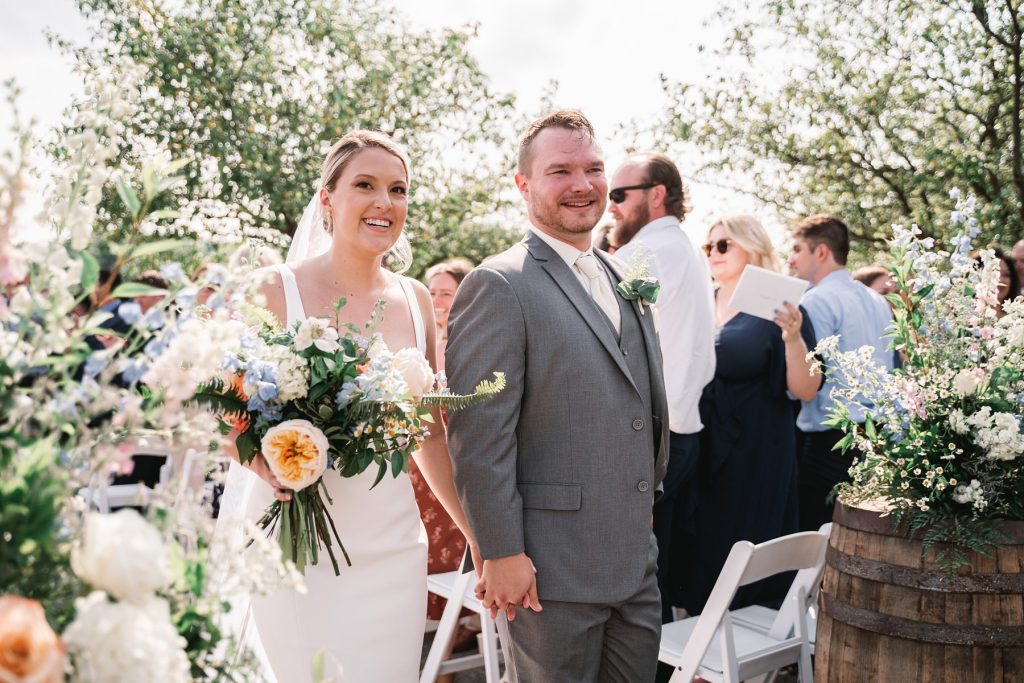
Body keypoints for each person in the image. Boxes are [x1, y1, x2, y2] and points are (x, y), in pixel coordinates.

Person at [217, 131, 478, 682]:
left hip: (392, 548)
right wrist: (257, 458)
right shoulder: (273, 290)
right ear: (328, 198)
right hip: (293, 544)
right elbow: (220, 406)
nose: (385, 202)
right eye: (366, 185)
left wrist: (477, 535)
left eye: (398, 189)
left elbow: (429, 437)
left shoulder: (416, 300)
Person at [445, 110, 669, 682]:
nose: (582, 184)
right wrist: (500, 552)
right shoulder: (499, 284)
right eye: (560, 170)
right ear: (524, 185)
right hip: (548, 572)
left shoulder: (622, 276)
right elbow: (478, 437)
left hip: (633, 563)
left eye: (594, 169)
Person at [685, 214, 820, 616]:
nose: (713, 254)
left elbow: (806, 389)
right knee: (700, 555)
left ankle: (736, 665)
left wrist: (792, 338)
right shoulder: (698, 300)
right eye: (708, 247)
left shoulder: (780, 306)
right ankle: (699, 652)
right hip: (700, 448)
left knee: (746, 550)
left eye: (723, 245)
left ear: (752, 246)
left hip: (756, 452)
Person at [608, 153, 715, 626]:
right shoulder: (687, 250)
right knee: (658, 570)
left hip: (646, 442)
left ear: (655, 194)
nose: (609, 206)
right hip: (681, 432)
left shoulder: (647, 254)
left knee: (634, 577)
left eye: (618, 195)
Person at [787, 214, 895, 532]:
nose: (791, 259)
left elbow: (808, 377)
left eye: (797, 250)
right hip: (877, 437)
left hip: (829, 442)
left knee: (816, 538)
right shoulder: (877, 300)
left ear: (821, 252)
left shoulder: (816, 300)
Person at [425, 257, 474, 375]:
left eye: (446, 294)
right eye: (432, 293)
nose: (435, 301)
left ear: (466, 297)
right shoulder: (425, 341)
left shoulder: (468, 345)